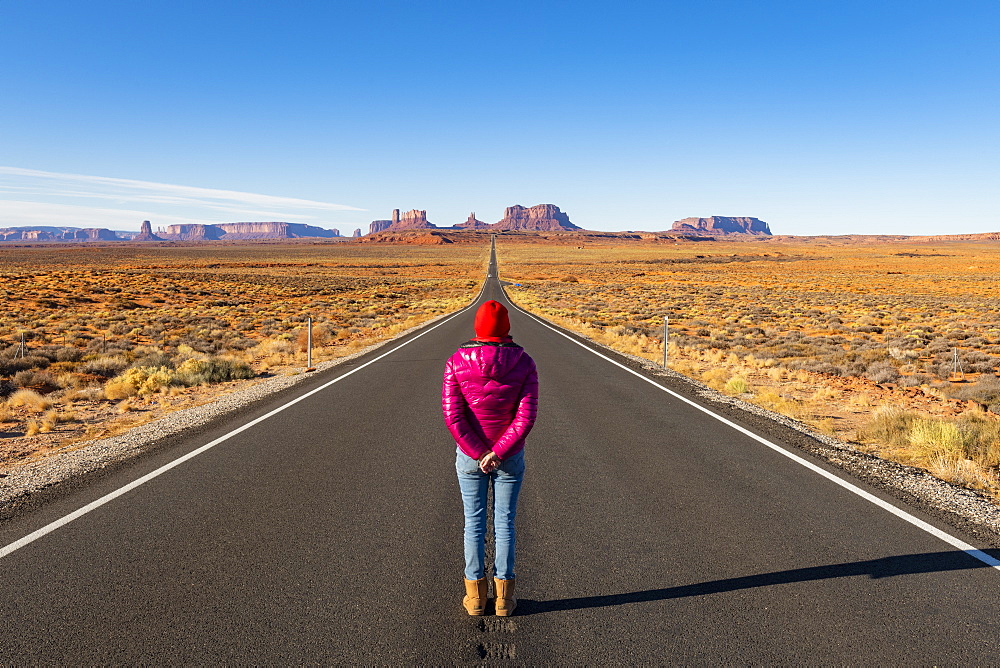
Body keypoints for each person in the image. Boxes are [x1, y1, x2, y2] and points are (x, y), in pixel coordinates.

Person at [442, 300, 538, 617]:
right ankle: (504, 600)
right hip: (508, 458)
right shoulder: (525, 363)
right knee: (505, 524)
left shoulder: (456, 363)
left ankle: (475, 598)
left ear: (477, 327)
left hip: (470, 458)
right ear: (507, 327)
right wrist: (498, 452)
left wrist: (480, 452)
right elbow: (525, 418)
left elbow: (453, 417)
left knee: (474, 524)